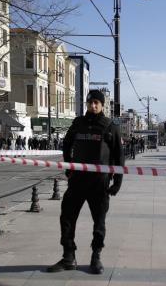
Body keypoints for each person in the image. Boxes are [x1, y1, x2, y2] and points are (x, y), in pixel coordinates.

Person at [48, 89, 124, 275]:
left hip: (99, 184)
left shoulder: (110, 127)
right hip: (78, 182)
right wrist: (69, 168)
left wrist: (117, 183)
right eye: (90, 102)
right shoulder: (78, 123)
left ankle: (95, 257)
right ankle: (68, 257)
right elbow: (66, 144)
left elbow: (119, 156)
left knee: (99, 223)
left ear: (102, 105)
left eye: (97, 102)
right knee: (66, 218)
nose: (93, 105)